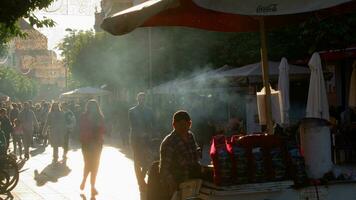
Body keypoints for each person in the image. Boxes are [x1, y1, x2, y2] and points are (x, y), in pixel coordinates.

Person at [159, 110, 201, 199]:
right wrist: (172, 184)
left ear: (190, 124)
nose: (183, 127)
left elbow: (196, 155)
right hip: (178, 183)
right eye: (180, 124)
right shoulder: (169, 142)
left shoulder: (190, 136)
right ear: (174, 125)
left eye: (186, 124)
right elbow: (164, 170)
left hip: (193, 182)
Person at [128, 92, 154, 193]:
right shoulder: (132, 111)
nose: (142, 100)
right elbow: (133, 125)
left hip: (146, 138)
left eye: (143, 99)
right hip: (136, 138)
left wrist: (150, 133)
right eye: (140, 98)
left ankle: (141, 178)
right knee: (137, 160)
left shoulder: (149, 111)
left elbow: (152, 123)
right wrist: (142, 133)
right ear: (137, 99)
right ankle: (140, 181)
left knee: (147, 159)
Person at [79, 99, 105, 197]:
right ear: (88, 107)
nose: (93, 108)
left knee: (95, 165)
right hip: (86, 143)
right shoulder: (84, 116)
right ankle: (85, 179)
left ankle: (93, 186)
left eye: (94, 106)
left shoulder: (100, 116)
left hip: (97, 144)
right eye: (91, 106)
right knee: (88, 163)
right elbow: (82, 128)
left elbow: (103, 129)